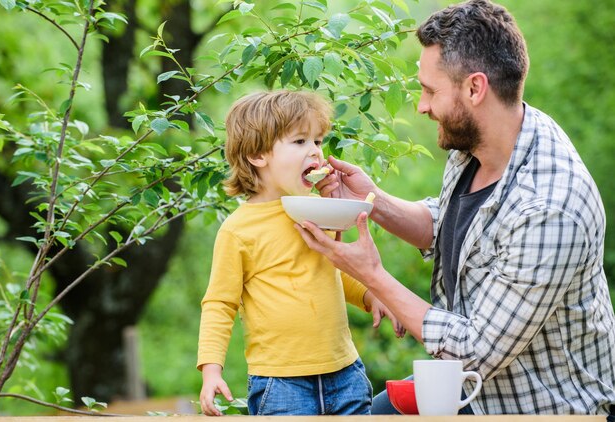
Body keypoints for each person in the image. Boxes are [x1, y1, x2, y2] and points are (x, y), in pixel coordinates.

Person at [295, 0, 615, 417]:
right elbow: (448, 228)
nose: (422, 106)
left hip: (539, 408)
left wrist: (370, 275)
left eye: (430, 91)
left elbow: (475, 352)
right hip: (468, 388)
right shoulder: (482, 143)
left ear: (475, 88)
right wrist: (370, 203)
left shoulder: (551, 207)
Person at [196, 90, 404, 416]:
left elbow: (331, 270)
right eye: (300, 142)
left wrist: (370, 295)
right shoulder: (238, 230)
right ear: (257, 155)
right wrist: (211, 370)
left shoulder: (318, 211)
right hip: (281, 383)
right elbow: (219, 305)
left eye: (318, 141)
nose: (316, 152)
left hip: (345, 372)